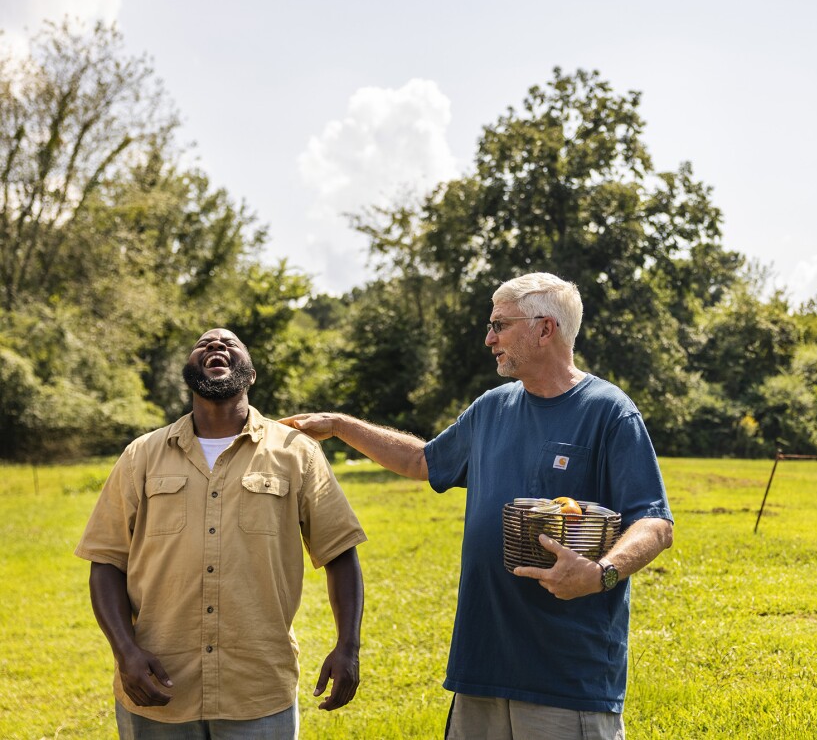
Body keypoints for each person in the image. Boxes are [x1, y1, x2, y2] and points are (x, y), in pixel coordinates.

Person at [281, 272, 673, 739]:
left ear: (545, 329)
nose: (489, 339)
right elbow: (422, 460)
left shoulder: (609, 411)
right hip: (481, 669)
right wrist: (339, 425)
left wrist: (601, 573)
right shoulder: (492, 408)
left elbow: (654, 522)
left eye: (500, 325)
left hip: (568, 678)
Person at [76, 328, 367, 739]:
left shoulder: (296, 452)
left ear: (251, 374)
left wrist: (348, 646)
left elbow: (340, 553)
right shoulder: (141, 455)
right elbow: (106, 561)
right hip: (156, 685)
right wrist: (125, 652)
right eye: (204, 344)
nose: (216, 345)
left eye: (231, 344)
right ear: (188, 373)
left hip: (258, 689)